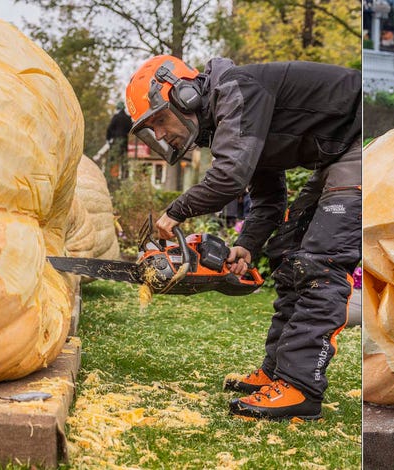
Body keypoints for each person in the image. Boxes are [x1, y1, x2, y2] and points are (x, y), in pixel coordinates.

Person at [124, 55, 361, 421]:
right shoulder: (231, 115)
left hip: (362, 140)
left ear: (184, 95)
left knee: (320, 263)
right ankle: (276, 371)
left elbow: (230, 177)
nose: (158, 134)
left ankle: (300, 387)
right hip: (339, 154)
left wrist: (177, 211)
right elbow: (269, 198)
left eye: (157, 121)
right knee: (287, 252)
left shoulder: (236, 89)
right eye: (149, 129)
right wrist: (247, 246)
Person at [104, 101, 133, 189]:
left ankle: (111, 180)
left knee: (113, 160)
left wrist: (109, 139)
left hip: (116, 141)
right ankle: (125, 178)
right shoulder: (128, 118)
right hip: (124, 141)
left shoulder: (116, 117)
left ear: (118, 108)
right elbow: (130, 129)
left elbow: (109, 129)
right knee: (124, 161)